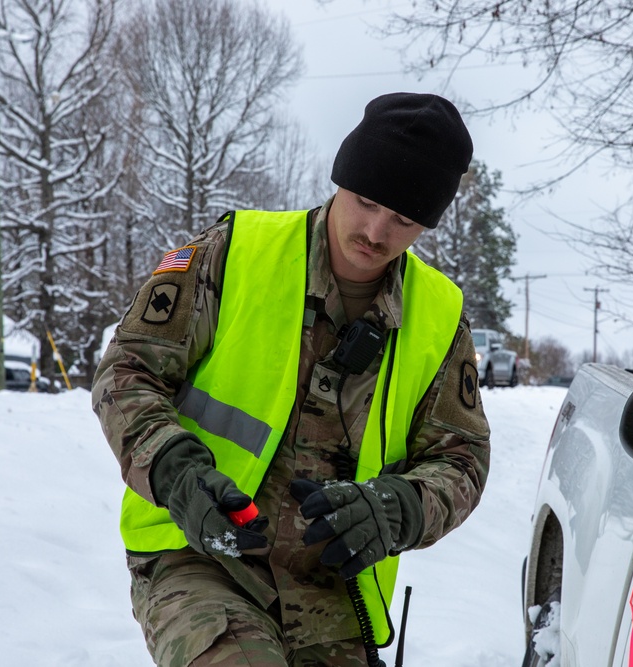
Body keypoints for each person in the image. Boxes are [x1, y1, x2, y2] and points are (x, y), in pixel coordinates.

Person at [92, 91, 491, 667]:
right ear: (341, 180)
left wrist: (400, 506)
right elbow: (126, 371)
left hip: (332, 590)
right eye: (366, 201)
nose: (376, 232)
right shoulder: (236, 253)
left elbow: (463, 458)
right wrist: (174, 470)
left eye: (404, 219)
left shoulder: (439, 316)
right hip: (200, 554)